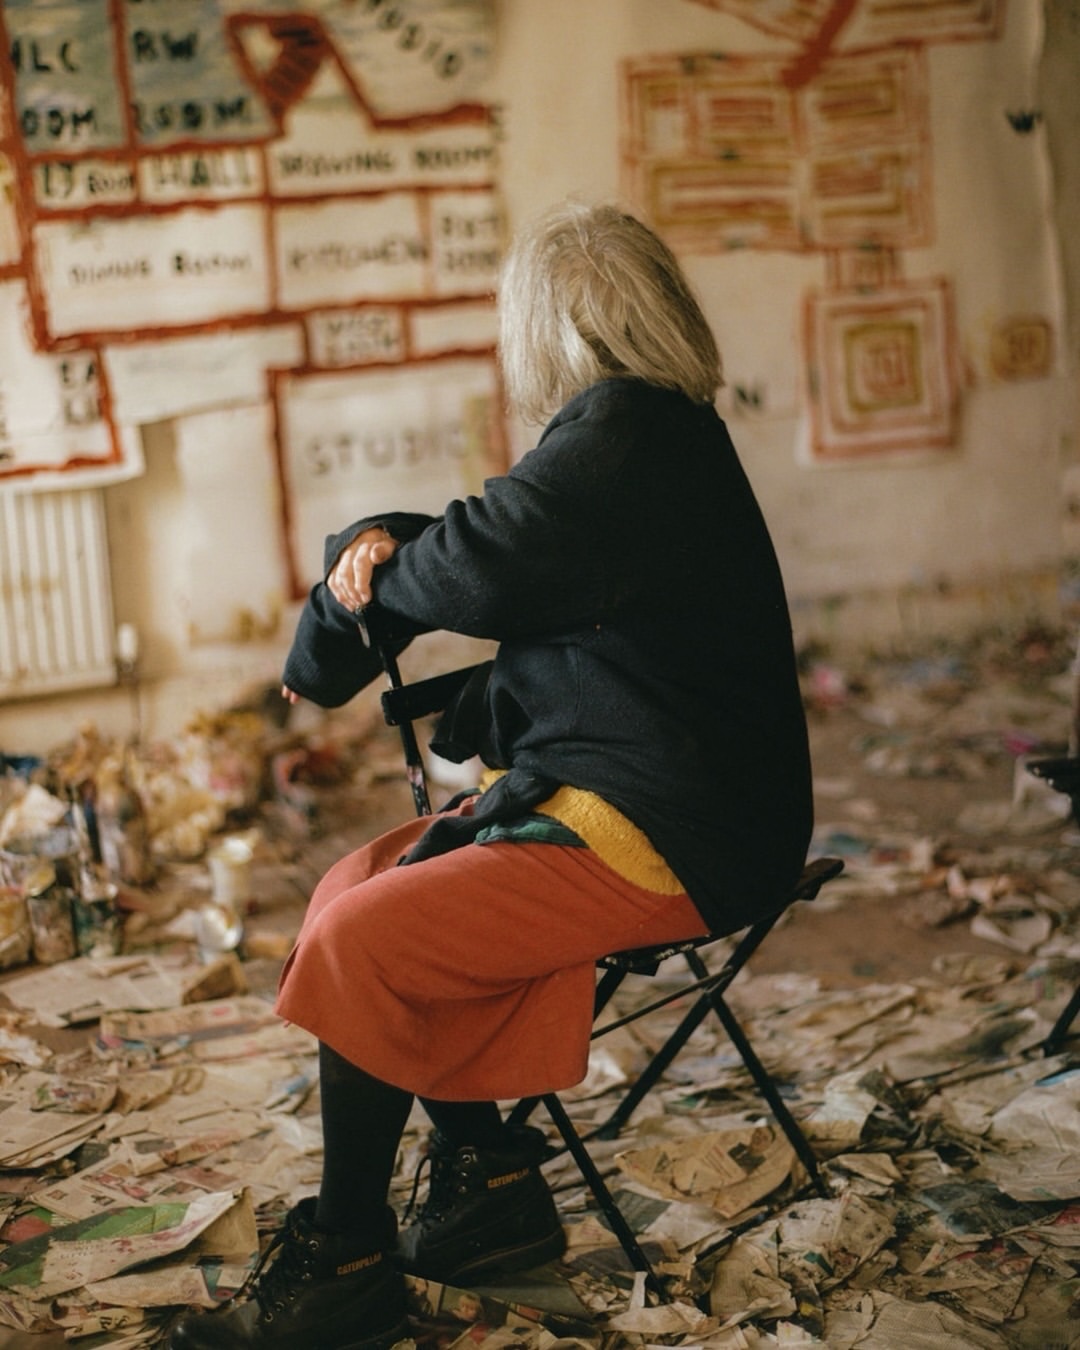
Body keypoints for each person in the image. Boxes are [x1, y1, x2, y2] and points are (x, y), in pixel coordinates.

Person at [168, 199, 813, 1350]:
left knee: (367, 939)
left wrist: (344, 603)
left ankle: (347, 1259)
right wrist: (371, 554)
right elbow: (492, 542)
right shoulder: (653, 436)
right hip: (655, 795)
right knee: (344, 894)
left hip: (673, 830)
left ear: (547, 334)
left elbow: (471, 561)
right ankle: (492, 1176)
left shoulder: (618, 445)